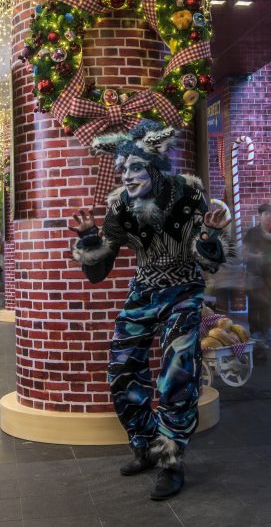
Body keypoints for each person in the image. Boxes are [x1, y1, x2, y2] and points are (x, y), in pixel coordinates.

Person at [68, 120, 231, 501]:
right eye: (122, 169)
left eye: (134, 167)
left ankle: (171, 459)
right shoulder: (121, 206)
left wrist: (208, 237)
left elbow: (209, 264)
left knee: (177, 371)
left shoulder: (188, 196)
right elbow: (97, 272)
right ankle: (144, 445)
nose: (126, 176)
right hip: (143, 291)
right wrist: (90, 237)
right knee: (122, 369)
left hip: (183, 291)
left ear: (155, 167)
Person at [243, 202, 271, 339]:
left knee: (267, 304)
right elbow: (244, 253)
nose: (269, 216)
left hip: (269, 275)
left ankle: (265, 331)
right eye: (266, 214)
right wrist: (256, 256)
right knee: (254, 304)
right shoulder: (252, 232)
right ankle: (254, 331)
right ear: (260, 215)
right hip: (253, 274)